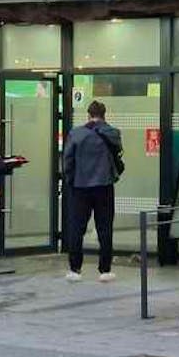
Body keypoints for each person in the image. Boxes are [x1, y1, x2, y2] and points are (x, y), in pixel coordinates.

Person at [63, 100, 122, 283]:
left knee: (77, 228)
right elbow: (118, 154)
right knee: (105, 228)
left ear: (88, 115)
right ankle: (105, 270)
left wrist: (71, 180)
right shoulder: (113, 133)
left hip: (80, 187)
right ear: (104, 115)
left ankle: (75, 269)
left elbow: (67, 161)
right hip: (104, 186)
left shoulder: (76, 134)